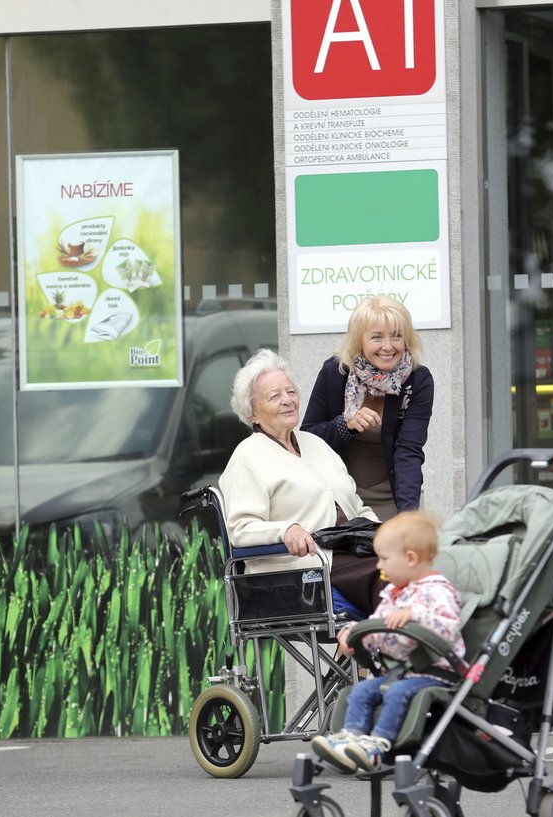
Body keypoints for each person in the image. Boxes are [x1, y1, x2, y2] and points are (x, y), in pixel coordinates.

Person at [219, 348, 384, 614]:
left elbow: (357, 507)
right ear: (252, 413)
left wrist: (385, 534)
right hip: (308, 568)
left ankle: (393, 645)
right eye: (275, 396)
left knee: (413, 563)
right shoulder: (247, 458)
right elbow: (240, 528)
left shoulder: (315, 444)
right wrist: (286, 530)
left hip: (352, 551)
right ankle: (393, 646)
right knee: (390, 575)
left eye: (291, 392)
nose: (287, 400)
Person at [310, 510, 464, 773]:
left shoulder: (437, 591)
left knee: (396, 692)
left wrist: (414, 616)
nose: (378, 566)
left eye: (383, 559)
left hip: (436, 672)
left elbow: (448, 628)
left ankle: (379, 745)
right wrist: (354, 634)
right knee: (360, 691)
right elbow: (377, 625)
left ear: (411, 559)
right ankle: (352, 740)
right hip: (401, 672)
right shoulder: (393, 595)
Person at [301, 295, 434, 520]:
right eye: (376, 337)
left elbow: (408, 452)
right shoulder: (335, 373)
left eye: (397, 336)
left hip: (392, 497)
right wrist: (345, 424)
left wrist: (408, 516)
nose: (388, 346)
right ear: (359, 341)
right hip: (338, 499)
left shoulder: (417, 380)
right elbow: (307, 439)